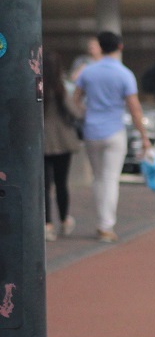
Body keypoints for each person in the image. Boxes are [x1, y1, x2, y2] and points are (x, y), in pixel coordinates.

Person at [74, 30, 152, 243]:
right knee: (110, 178)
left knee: (98, 178)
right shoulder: (124, 74)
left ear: (99, 46)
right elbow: (134, 108)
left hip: (91, 131)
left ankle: (102, 221)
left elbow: (76, 100)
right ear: (120, 47)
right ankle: (106, 225)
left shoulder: (88, 72)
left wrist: (86, 115)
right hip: (114, 131)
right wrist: (143, 136)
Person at [42, 50, 83, 241]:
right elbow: (75, 113)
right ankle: (64, 220)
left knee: (44, 185)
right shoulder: (61, 89)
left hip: (42, 142)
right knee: (61, 183)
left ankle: (46, 224)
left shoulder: (36, 88)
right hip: (63, 141)